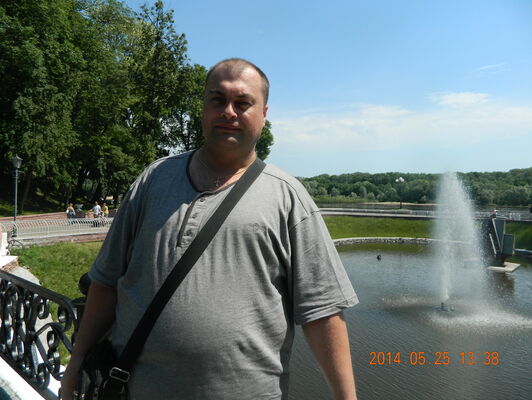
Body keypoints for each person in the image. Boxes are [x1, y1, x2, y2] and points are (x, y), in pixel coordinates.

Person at [61, 58, 358, 400]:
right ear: (203, 108)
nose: (228, 111)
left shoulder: (289, 198)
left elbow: (322, 312)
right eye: (217, 100)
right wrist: (76, 361)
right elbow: (106, 281)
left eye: (243, 103)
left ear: (263, 114)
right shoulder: (154, 179)